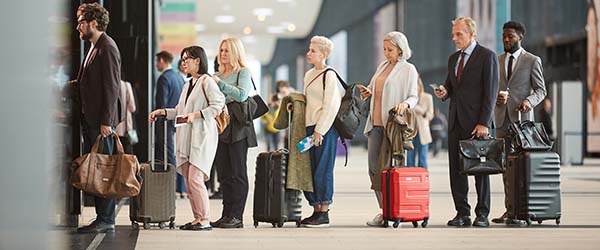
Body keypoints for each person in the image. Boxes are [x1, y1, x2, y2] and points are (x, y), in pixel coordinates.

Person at [149, 45, 225, 231]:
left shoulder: (207, 81)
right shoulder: (187, 83)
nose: (183, 63)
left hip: (202, 136)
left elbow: (218, 104)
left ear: (197, 60)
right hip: (187, 137)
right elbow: (181, 111)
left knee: (195, 178)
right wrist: (163, 112)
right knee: (190, 179)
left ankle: (205, 219)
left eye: (186, 59)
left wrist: (197, 115)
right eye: (182, 60)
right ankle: (197, 218)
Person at [433, 16, 499, 228]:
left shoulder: (486, 57)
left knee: (480, 171)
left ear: (472, 34)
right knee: (456, 170)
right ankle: (462, 213)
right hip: (455, 122)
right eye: (453, 34)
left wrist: (484, 122)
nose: (455, 38)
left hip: (476, 124)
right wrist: (443, 92)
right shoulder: (453, 59)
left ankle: (482, 214)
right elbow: (451, 88)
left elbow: (490, 93)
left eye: (459, 34)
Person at [358, 31, 419, 227]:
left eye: (390, 50)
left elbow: (414, 96)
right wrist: (368, 91)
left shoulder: (408, 69)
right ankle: (386, 211)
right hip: (375, 124)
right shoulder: (382, 66)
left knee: (393, 170)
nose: (386, 53)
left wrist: (405, 104)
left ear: (400, 49)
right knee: (374, 169)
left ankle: (396, 211)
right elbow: (375, 87)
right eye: (384, 49)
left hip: (393, 125)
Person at [75, 2, 125, 233]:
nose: (78, 27)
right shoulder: (95, 47)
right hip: (93, 119)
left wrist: (107, 121)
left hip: (101, 122)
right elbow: (87, 84)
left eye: (81, 22)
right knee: (97, 168)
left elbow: (112, 87)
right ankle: (102, 217)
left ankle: (106, 219)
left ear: (93, 23)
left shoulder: (107, 47)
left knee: (103, 168)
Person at [492, 21, 546, 225]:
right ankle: (510, 210)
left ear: (520, 37)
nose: (506, 40)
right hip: (501, 121)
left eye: (510, 36)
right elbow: (492, 88)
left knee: (522, 167)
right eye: (504, 36)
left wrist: (528, 102)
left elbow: (541, 90)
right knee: (506, 168)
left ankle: (524, 210)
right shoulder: (496, 60)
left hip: (522, 124)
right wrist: (496, 97)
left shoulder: (532, 60)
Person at [210, 38, 258, 228]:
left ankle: (237, 216)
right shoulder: (217, 74)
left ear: (236, 52)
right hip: (221, 126)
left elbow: (242, 95)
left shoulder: (242, 72)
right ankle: (226, 213)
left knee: (238, 172)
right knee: (224, 173)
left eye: (227, 51)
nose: (223, 54)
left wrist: (221, 85)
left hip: (238, 128)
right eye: (221, 50)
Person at [298, 35, 344, 228]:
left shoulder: (329, 74)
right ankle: (316, 209)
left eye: (313, 51)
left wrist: (320, 130)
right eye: (309, 50)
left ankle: (324, 212)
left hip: (324, 129)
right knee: (311, 169)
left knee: (323, 169)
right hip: (310, 128)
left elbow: (331, 105)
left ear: (323, 54)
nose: (309, 53)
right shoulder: (309, 75)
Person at [155, 50, 186, 198]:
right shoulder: (178, 78)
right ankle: (181, 187)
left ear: (161, 60)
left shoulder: (164, 78)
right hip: (178, 122)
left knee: (166, 155)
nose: (156, 65)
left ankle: (170, 187)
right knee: (177, 154)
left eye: (157, 62)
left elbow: (162, 104)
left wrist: (159, 118)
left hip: (166, 122)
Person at [406, 77, 434, 168]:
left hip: (423, 132)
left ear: (419, 85)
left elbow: (431, 115)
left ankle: (423, 180)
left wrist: (422, 111)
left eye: (416, 86)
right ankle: (411, 180)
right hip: (410, 132)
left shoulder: (427, 97)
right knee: (410, 160)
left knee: (422, 159)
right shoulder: (407, 99)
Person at [115, 79, 136, 154]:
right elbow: (132, 108)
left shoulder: (111, 84)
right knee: (127, 152)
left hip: (114, 126)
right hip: (125, 127)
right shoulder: (126, 85)